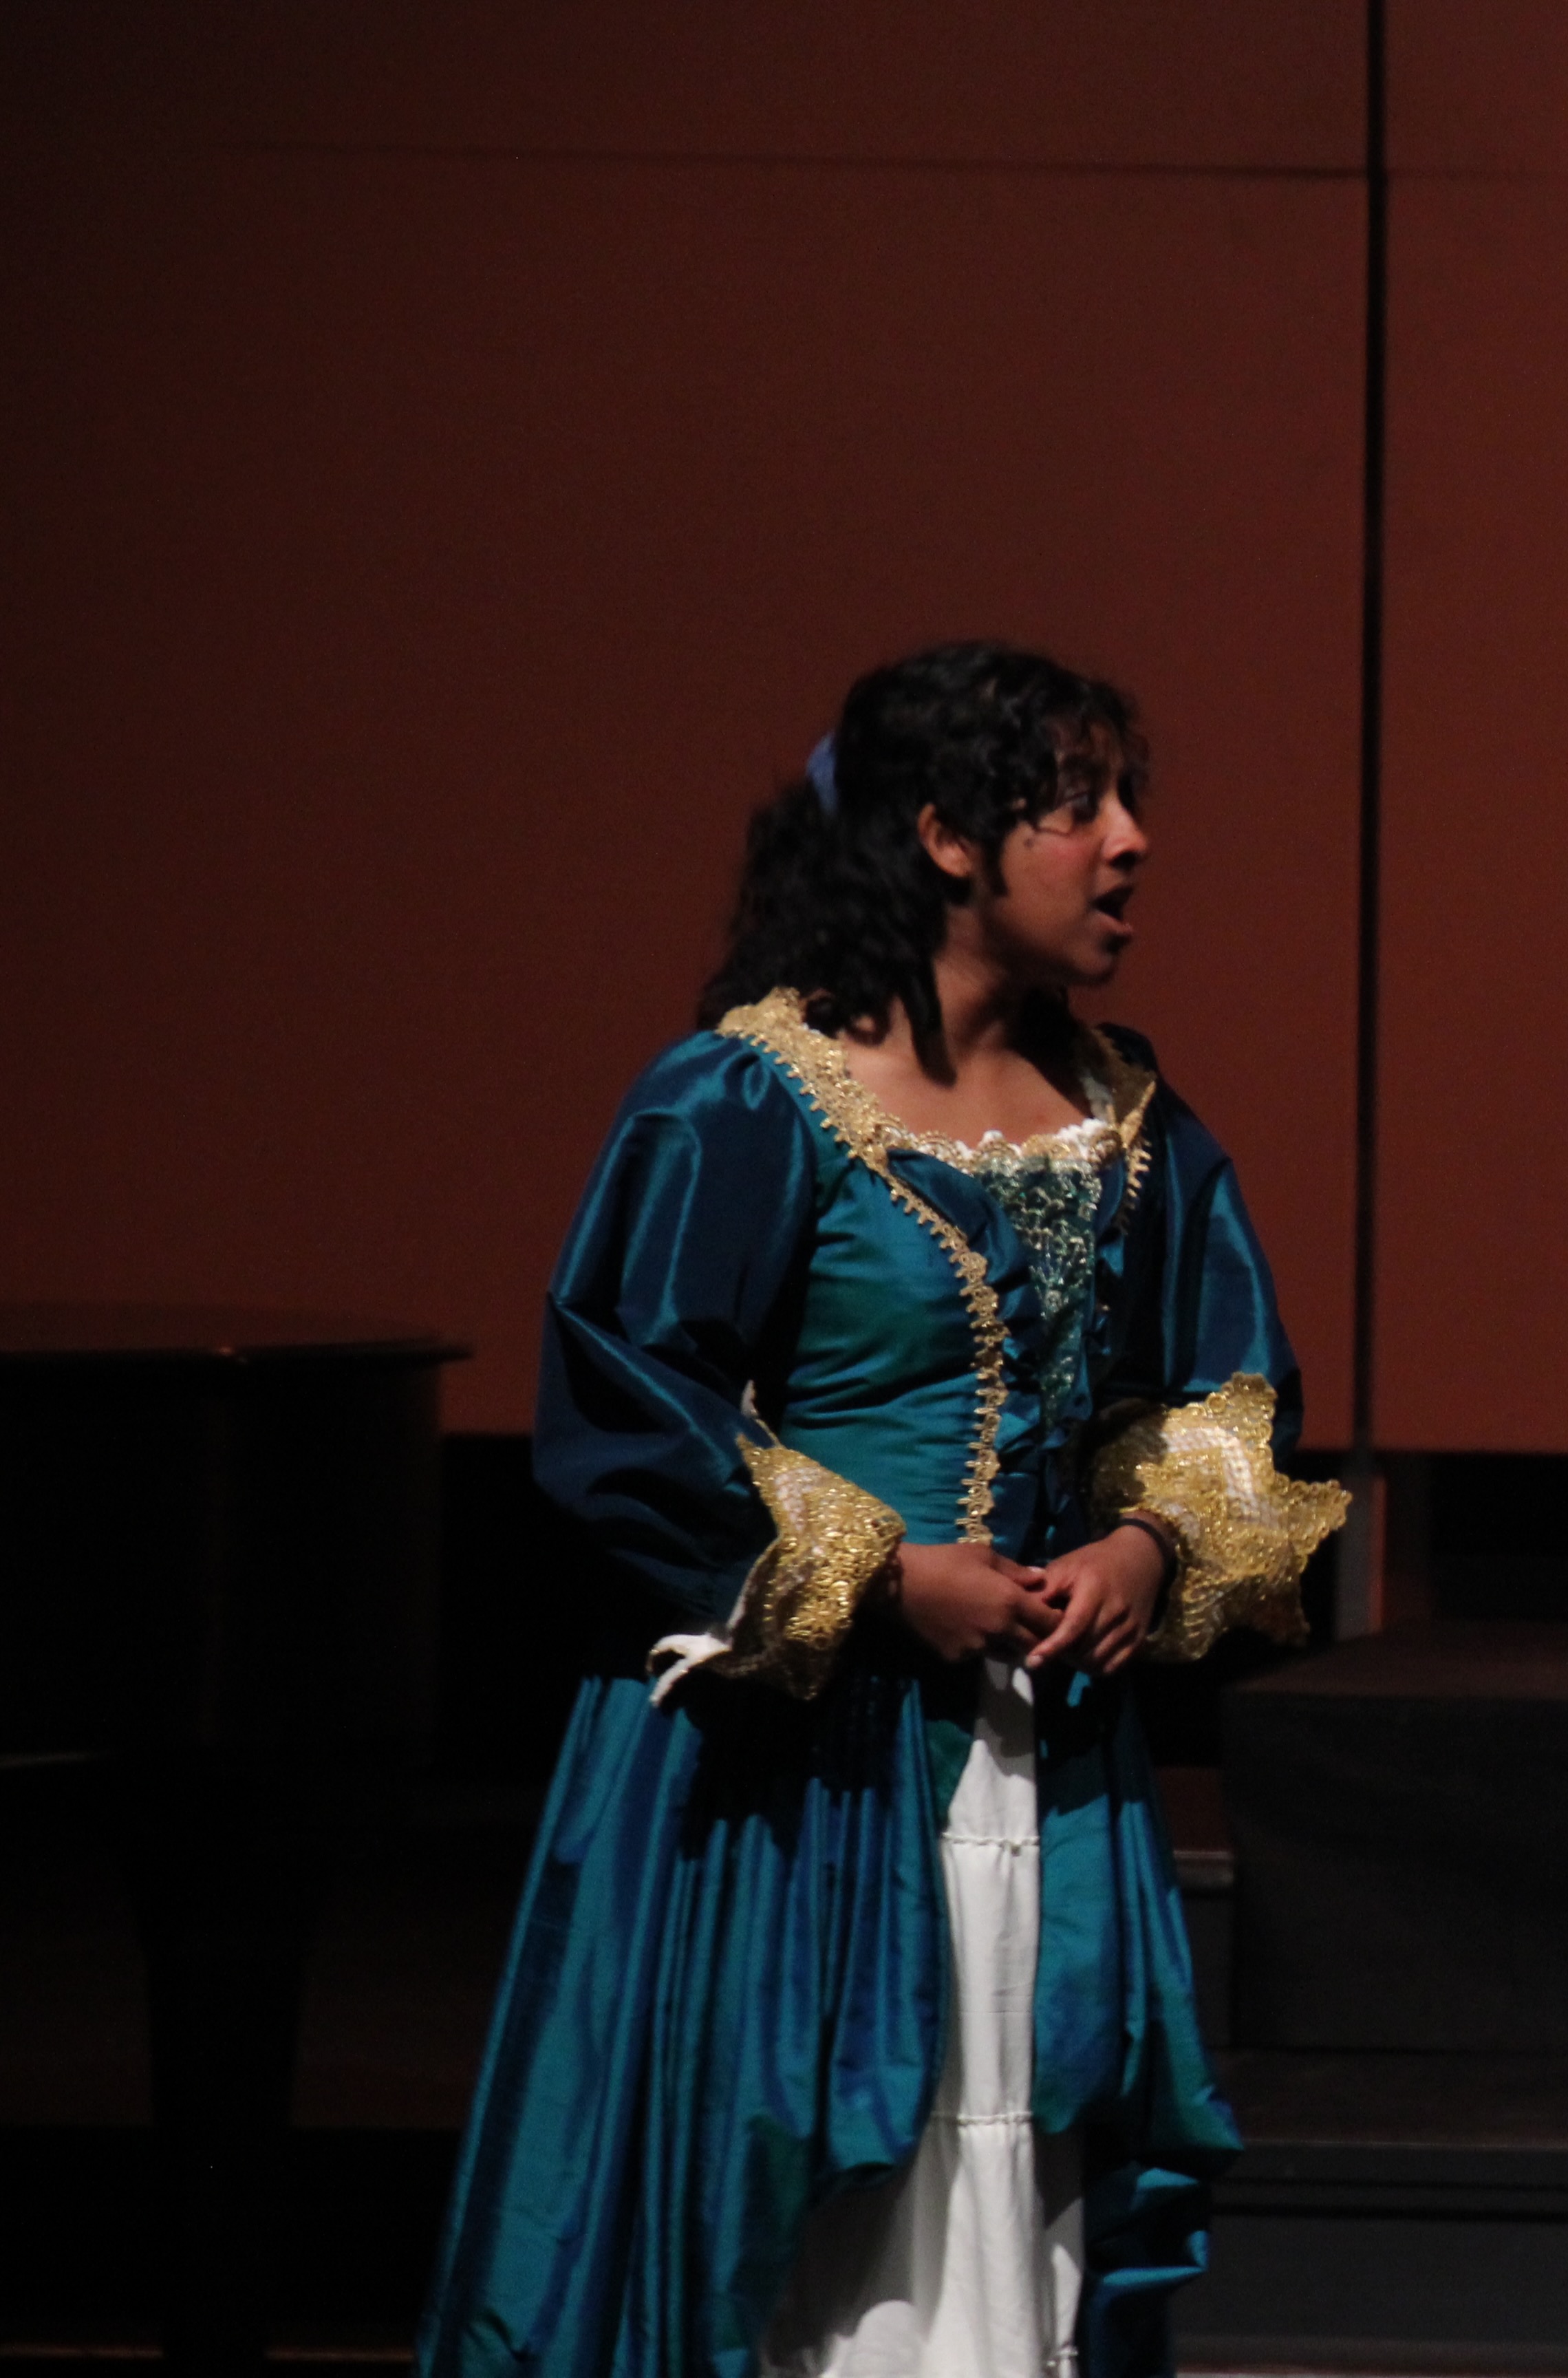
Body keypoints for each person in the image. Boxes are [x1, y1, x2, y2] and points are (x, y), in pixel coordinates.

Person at [422, 642, 1345, 2378]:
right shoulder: (744, 1101)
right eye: (1079, 809)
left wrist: (1147, 1541)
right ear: (943, 837)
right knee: (789, 2194)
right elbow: (628, 1403)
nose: (1132, 843)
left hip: (1037, 1755)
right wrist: (877, 1575)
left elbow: (1226, 1394)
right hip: (792, 1774)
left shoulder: (1131, 1119)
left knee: (1012, 2142)